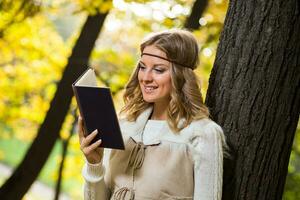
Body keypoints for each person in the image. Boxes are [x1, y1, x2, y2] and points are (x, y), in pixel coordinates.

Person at [78, 29, 227, 200]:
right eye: (142, 67)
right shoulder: (124, 127)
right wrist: (94, 164)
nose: (146, 78)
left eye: (158, 69)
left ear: (180, 75)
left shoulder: (202, 134)